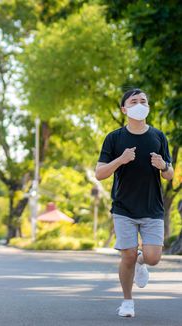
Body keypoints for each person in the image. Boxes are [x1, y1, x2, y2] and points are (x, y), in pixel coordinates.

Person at [95, 88, 174, 318]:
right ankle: (127, 302)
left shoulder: (158, 137)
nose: (140, 104)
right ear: (124, 109)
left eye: (143, 101)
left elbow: (169, 174)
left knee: (153, 258)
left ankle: (142, 263)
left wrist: (164, 166)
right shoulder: (114, 138)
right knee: (127, 254)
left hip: (152, 208)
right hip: (124, 208)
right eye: (134, 101)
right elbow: (100, 173)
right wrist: (121, 159)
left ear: (148, 107)